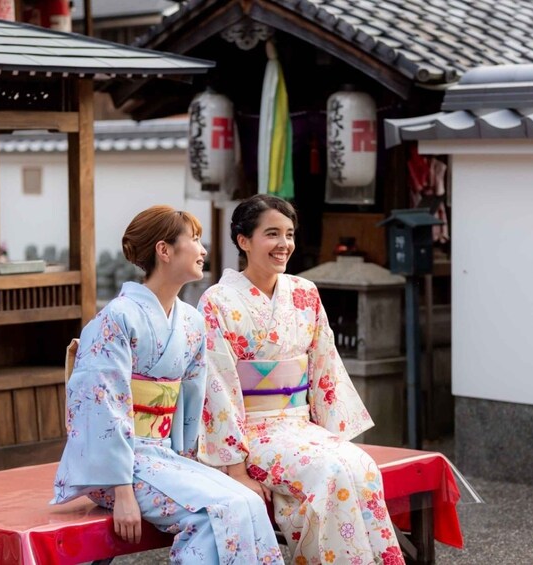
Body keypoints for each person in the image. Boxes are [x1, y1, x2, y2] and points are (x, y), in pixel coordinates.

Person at [51, 205, 284, 565]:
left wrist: (190, 461)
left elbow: (190, 403)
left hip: (163, 456)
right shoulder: (117, 317)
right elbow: (101, 406)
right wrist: (122, 490)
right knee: (215, 512)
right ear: (164, 250)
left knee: (247, 502)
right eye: (194, 239)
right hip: (117, 467)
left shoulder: (191, 321)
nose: (202, 249)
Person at [197, 194, 406, 565]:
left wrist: (331, 435)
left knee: (361, 466)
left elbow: (324, 363)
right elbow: (216, 385)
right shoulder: (217, 301)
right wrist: (235, 467)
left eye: (289, 234)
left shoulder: (304, 293)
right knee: (327, 474)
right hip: (252, 433)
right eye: (272, 234)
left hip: (299, 424)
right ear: (244, 241)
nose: (284, 244)